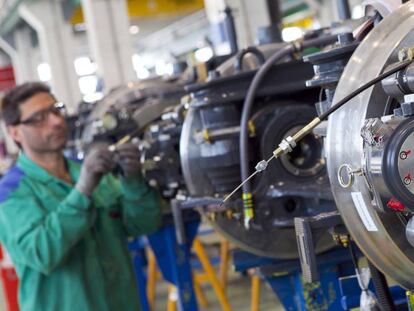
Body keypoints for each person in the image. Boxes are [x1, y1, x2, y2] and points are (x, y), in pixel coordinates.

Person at [0, 82, 162, 311]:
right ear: (14, 132)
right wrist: (82, 192)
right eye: (39, 118)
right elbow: (43, 253)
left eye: (56, 110)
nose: (56, 122)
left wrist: (133, 181)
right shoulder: (11, 192)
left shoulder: (89, 171)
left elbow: (143, 224)